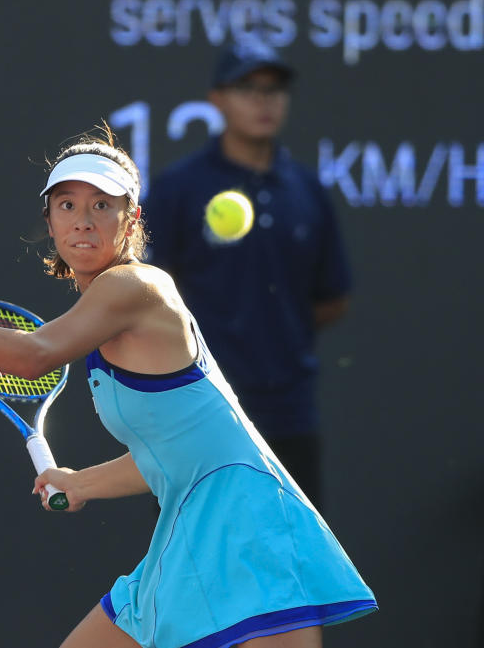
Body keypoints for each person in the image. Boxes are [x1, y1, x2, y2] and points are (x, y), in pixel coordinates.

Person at [0, 127, 376, 648]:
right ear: (49, 221)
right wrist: (81, 483)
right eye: (68, 204)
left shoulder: (133, 286)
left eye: (102, 204)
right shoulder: (106, 311)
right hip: (189, 534)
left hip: (248, 535)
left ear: (131, 219)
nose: (83, 219)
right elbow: (174, 449)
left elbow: (33, 356)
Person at [142, 41, 353, 509]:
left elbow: (333, 298)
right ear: (217, 99)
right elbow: (148, 293)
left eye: (274, 90)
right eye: (248, 88)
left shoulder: (308, 191)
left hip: (289, 412)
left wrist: (271, 332)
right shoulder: (179, 188)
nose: (264, 101)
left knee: (291, 565)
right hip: (200, 408)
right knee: (205, 563)